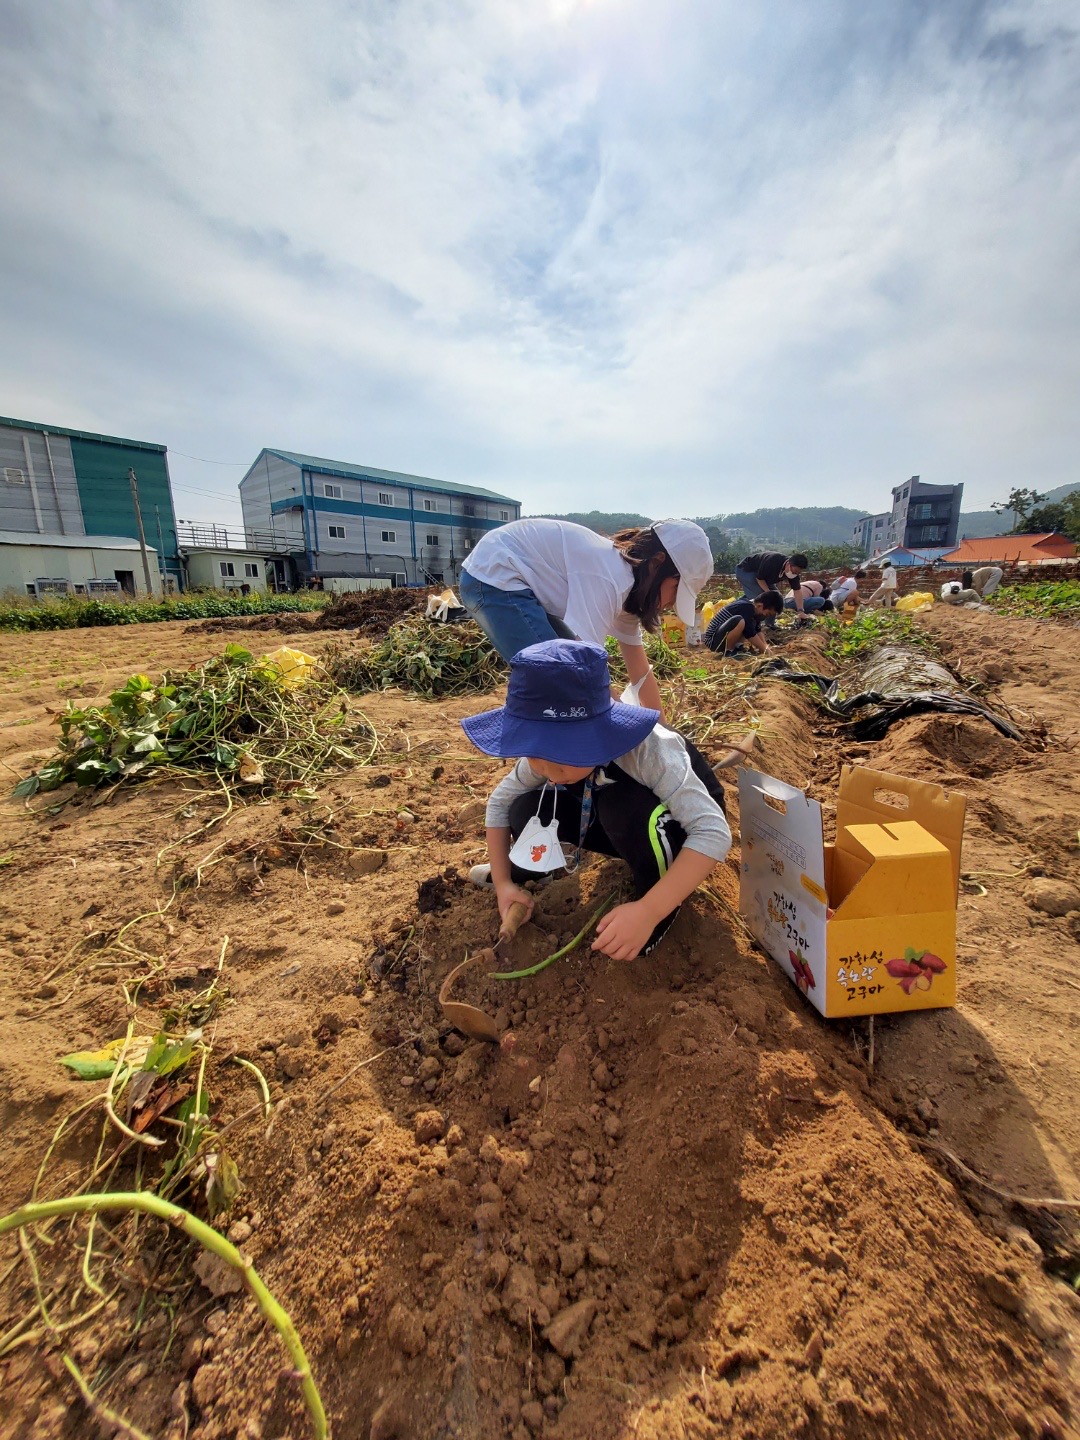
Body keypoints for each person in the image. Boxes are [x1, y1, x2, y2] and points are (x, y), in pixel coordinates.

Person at [461, 639, 731, 960]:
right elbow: (500, 803)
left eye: (560, 758)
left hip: (678, 832)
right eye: (535, 755)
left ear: (597, 733)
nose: (550, 773)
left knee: (621, 806)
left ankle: (659, 901)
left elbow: (712, 833)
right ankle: (534, 867)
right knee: (526, 807)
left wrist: (649, 910)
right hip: (616, 821)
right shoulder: (547, 758)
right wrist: (503, 882)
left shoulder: (650, 750)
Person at [459, 518, 714, 717]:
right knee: (559, 681)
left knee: (571, 682)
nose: (670, 604)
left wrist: (663, 733)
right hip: (495, 575)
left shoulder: (630, 589)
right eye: (675, 591)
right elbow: (589, 674)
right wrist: (629, 729)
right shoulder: (609, 577)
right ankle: (548, 761)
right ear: (657, 564)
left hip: (521, 582)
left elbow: (640, 672)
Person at [705, 592, 784, 653]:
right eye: (767, 614)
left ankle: (738, 648)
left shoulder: (754, 610)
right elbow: (750, 634)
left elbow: (757, 630)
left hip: (720, 637)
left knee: (746, 623)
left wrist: (765, 647)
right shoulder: (746, 608)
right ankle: (729, 651)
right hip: (713, 641)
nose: (766, 616)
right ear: (760, 605)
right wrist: (764, 650)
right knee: (740, 621)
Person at [734, 551, 809, 614]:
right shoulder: (773, 561)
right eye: (795, 571)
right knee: (764, 600)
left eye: (798, 572)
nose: (795, 574)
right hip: (746, 571)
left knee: (778, 599)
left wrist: (801, 611)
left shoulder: (794, 575)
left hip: (763, 578)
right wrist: (768, 593)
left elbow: (797, 591)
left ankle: (770, 624)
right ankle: (753, 620)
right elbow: (759, 579)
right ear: (788, 564)